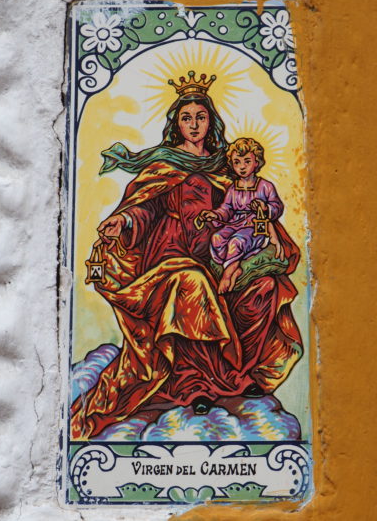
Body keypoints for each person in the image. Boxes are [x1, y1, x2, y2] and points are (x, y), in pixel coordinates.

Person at [71, 72, 303, 440]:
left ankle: (242, 375)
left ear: (211, 122)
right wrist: (123, 220)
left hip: (218, 254)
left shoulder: (226, 165)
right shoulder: (164, 164)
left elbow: (245, 207)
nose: (194, 125)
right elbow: (145, 209)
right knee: (192, 284)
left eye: (201, 117)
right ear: (176, 123)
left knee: (264, 287)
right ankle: (194, 385)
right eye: (186, 118)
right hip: (170, 255)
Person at [199, 137, 285, 294]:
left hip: (255, 227)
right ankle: (235, 267)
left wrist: (264, 207)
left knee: (236, 242)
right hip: (235, 224)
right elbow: (226, 209)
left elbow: (277, 207)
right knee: (216, 238)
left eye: (247, 161)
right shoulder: (233, 188)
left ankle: (227, 275)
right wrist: (214, 215)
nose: (242, 167)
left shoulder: (265, 186)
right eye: (237, 162)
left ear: (256, 162)